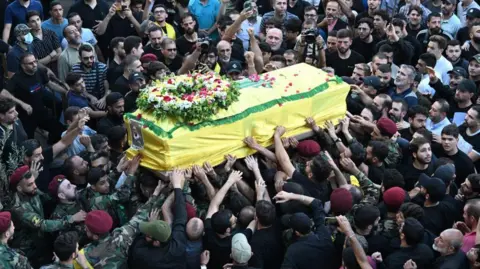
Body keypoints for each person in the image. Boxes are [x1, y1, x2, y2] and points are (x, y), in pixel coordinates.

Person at [9, 165, 86, 268]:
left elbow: (46, 197)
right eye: (30, 184)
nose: (35, 186)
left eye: (34, 182)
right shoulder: (19, 208)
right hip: (29, 249)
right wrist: (71, 219)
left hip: (41, 241)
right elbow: (42, 224)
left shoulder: (32, 191)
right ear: (19, 188)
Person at [128, 169, 187, 268]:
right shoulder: (177, 248)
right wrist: (178, 186)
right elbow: (181, 217)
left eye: (147, 234)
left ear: (156, 242)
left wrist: (151, 224)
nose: (145, 234)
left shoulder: (140, 252)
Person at [1, 53, 66, 144]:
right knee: (28, 142)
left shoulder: (39, 71)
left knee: (61, 131)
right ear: (23, 66)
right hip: (27, 116)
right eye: (30, 63)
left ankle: (51, 144)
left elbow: (49, 84)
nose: (34, 64)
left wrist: (65, 91)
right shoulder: (17, 78)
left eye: (35, 61)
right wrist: (22, 104)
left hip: (41, 112)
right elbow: (3, 94)